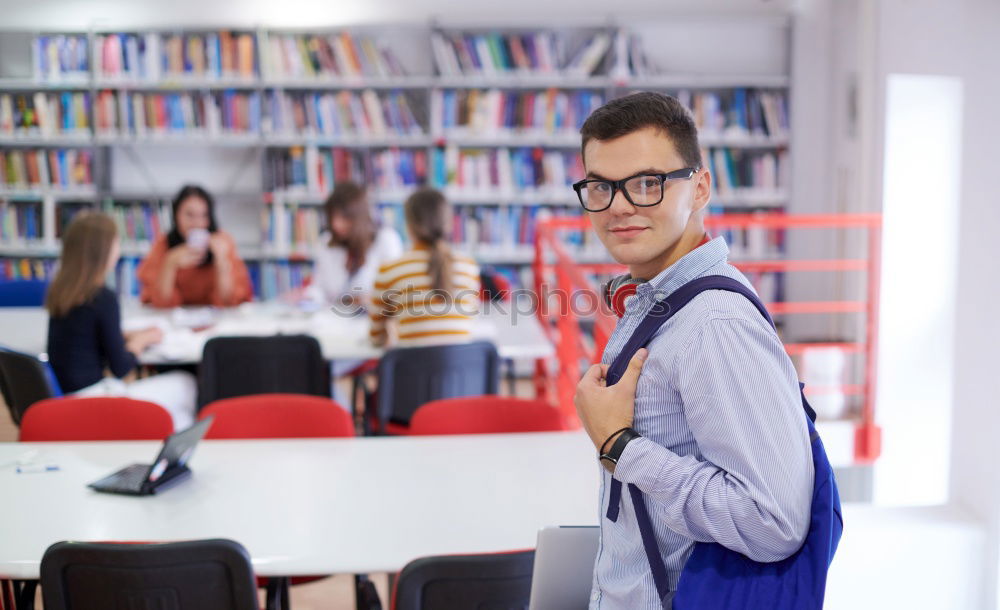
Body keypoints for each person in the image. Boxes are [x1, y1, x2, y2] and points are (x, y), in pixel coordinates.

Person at [571, 92, 814, 608]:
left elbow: (774, 522)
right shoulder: (662, 298)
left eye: (646, 183)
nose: (618, 206)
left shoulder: (714, 325)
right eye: (600, 186)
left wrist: (620, 446)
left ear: (699, 188)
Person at [46, 212, 197, 430]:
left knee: (176, 410)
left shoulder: (62, 291)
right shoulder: (102, 297)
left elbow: (85, 335)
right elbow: (121, 368)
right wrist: (142, 340)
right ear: (103, 251)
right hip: (95, 402)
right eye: (116, 243)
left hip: (65, 397)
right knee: (186, 383)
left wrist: (124, 335)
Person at [369, 187, 480, 348]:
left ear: (409, 226)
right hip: (462, 371)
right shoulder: (468, 267)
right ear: (449, 224)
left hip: (412, 371)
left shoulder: (390, 271)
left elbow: (376, 337)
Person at [137, 185, 252, 308]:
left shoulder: (223, 243)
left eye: (204, 215)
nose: (197, 223)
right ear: (176, 215)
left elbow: (230, 302)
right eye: (189, 215)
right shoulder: (163, 244)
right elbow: (160, 303)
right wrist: (169, 263)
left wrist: (222, 262)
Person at [307, 181, 403, 308]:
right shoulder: (326, 242)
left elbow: (398, 290)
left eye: (344, 217)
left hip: (374, 318)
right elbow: (319, 288)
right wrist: (309, 296)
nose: (337, 225)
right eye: (332, 217)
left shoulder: (386, 239)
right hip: (333, 320)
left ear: (359, 217)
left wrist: (372, 299)